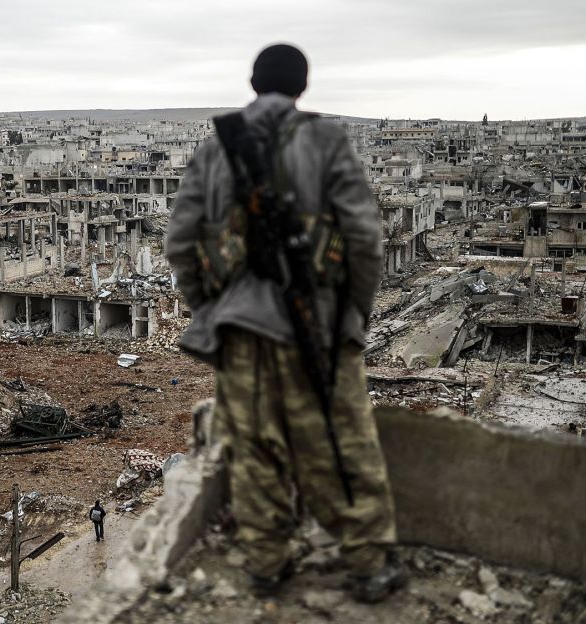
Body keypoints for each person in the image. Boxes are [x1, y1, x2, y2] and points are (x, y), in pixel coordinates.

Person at [165, 43, 406, 603]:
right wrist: (352, 316)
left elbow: (180, 243)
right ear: (303, 87)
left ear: (253, 82)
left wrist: (212, 310)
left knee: (255, 445)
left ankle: (266, 563)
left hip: (241, 330)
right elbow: (366, 241)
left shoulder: (216, 147)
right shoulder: (326, 141)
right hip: (316, 325)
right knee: (339, 440)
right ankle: (369, 562)